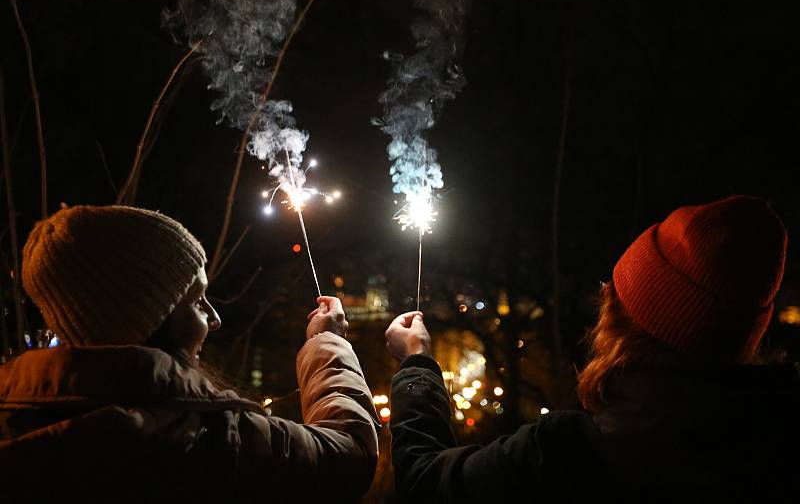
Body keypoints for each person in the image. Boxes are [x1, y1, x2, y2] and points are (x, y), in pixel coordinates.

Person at [385, 195, 800, 502]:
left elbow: (424, 484)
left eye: (614, 295)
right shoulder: (776, 455)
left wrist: (417, 365)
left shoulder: (566, 457)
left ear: (626, 323)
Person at [0, 205, 379, 502]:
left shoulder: (15, 427)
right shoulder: (203, 442)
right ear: (143, 319)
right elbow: (347, 458)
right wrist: (327, 343)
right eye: (197, 301)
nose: (214, 319)